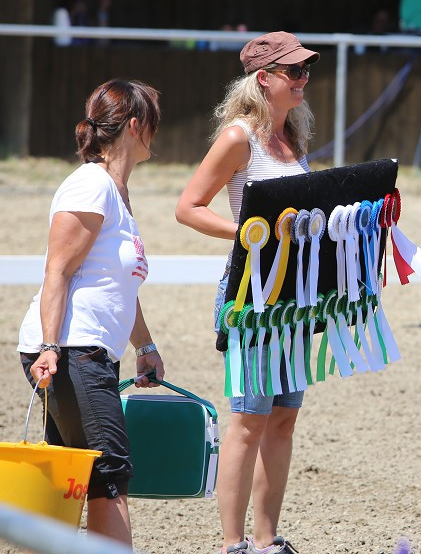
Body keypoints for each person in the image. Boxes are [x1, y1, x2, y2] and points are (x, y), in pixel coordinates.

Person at [175, 31, 319, 554]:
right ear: (264, 80)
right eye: (294, 72)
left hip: (295, 302)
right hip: (252, 300)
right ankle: (231, 544)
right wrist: (242, 232)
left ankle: (266, 539)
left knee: (283, 418)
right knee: (247, 422)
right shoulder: (240, 138)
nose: (304, 78)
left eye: (306, 70)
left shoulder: (293, 138)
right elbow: (188, 205)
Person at [17, 80, 165, 547]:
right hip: (71, 348)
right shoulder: (90, 184)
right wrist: (49, 345)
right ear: (137, 126)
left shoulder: (117, 193)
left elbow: (121, 285)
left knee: (73, 473)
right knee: (109, 472)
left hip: (88, 350)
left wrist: (145, 345)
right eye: (154, 123)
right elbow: (57, 270)